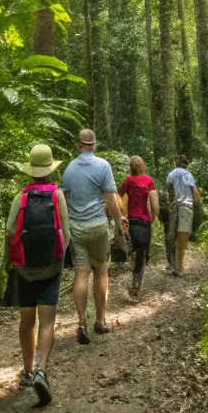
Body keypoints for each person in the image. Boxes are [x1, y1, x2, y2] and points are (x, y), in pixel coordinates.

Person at [5, 142, 69, 406]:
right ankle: (42, 369)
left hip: (24, 267)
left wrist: (13, 262)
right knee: (47, 320)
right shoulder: (57, 195)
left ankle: (27, 371)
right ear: (51, 169)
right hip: (51, 267)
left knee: (27, 319)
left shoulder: (21, 196)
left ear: (30, 169)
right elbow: (66, 230)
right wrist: (58, 256)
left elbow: (10, 231)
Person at [61, 129, 127, 343]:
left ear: (79, 144)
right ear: (94, 144)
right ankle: (100, 320)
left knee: (81, 274)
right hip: (98, 226)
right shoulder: (103, 166)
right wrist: (119, 224)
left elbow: (66, 203)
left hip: (76, 228)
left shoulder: (69, 169)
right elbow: (111, 200)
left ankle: (81, 323)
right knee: (101, 270)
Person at [119, 155, 160, 295]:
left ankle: (134, 280)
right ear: (141, 165)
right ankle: (138, 284)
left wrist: (121, 215)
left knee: (135, 251)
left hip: (133, 222)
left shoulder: (128, 180)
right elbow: (155, 203)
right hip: (146, 221)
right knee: (143, 252)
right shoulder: (149, 180)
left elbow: (118, 196)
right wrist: (155, 216)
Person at [166, 154, 202, 277]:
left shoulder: (172, 173)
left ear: (176, 162)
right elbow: (195, 193)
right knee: (182, 241)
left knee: (178, 240)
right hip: (186, 207)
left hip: (176, 207)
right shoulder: (189, 175)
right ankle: (178, 268)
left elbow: (169, 187)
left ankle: (177, 266)